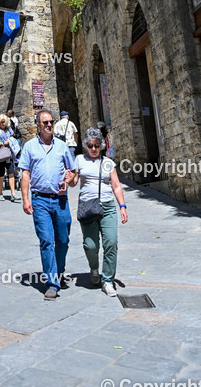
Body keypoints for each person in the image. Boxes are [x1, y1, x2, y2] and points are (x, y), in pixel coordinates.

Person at [18, 109, 76, 299]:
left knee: (63, 240)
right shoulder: (29, 147)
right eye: (46, 123)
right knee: (46, 241)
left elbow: (73, 172)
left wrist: (67, 181)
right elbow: (25, 173)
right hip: (40, 199)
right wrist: (25, 199)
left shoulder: (62, 146)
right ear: (38, 125)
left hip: (60, 200)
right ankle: (52, 283)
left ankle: (59, 272)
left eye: (51, 122)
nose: (49, 125)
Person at [74, 127, 128, 297]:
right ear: (86, 145)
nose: (93, 149)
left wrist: (122, 206)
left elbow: (116, 185)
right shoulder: (79, 160)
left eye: (96, 145)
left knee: (111, 243)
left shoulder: (108, 163)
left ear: (101, 145)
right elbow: (73, 182)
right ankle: (94, 267)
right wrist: (68, 178)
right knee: (90, 245)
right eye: (90, 145)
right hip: (88, 207)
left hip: (107, 206)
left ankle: (108, 280)